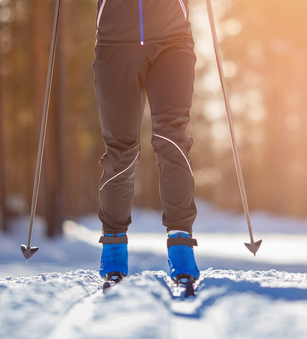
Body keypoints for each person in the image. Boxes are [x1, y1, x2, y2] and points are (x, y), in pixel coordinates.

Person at [93, 0, 200, 285]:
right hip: (115, 42)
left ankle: (181, 246)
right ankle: (114, 245)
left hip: (172, 40)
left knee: (172, 139)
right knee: (121, 148)